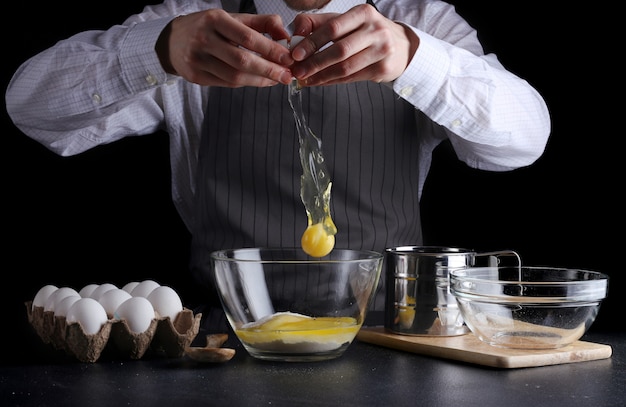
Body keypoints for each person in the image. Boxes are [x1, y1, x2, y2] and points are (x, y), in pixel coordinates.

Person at [5, 0, 551, 330]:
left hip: (392, 335)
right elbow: (29, 107)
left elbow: (524, 140)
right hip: (228, 334)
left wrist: (416, 58)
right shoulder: (189, 22)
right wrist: (158, 50)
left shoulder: (421, 21)